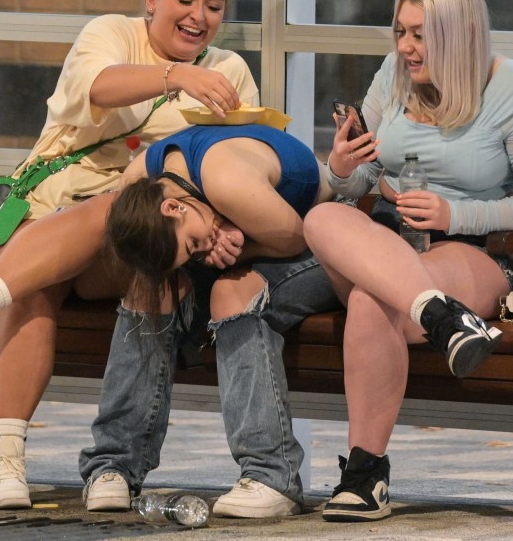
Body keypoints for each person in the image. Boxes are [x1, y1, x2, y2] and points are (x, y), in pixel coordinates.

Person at [0, 0, 263, 510]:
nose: (199, 16)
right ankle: (5, 463)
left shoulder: (230, 71)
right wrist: (177, 75)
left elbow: (237, 159)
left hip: (135, 239)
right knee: (35, 286)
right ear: (151, 1)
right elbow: (98, 89)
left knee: (134, 230)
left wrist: (225, 224)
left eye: (214, 7)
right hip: (46, 214)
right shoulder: (110, 32)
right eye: (185, 0)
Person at [302, 0, 513, 522]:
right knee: (322, 218)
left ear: (458, 33)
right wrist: (341, 167)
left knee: (371, 299)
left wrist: (455, 211)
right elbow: (357, 183)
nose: (404, 47)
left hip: (473, 251)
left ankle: (364, 476)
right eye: (400, 32)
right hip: (391, 243)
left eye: (419, 34)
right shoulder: (392, 78)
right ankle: (440, 317)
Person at [82, 122, 340, 518]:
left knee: (229, 293)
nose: (198, 251)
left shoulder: (226, 181)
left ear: (174, 206)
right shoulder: (139, 182)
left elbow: (296, 238)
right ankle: (113, 465)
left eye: (191, 246)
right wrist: (212, 246)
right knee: (150, 288)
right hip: (272, 242)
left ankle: (272, 476)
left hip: (323, 236)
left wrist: (237, 246)